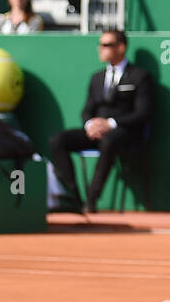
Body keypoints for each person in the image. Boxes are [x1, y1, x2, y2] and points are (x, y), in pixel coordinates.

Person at [47, 30, 154, 214]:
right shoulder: (96, 78)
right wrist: (91, 125)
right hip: (97, 132)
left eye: (106, 45)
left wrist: (110, 123)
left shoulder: (140, 76)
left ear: (121, 48)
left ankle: (91, 199)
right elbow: (87, 110)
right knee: (57, 140)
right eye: (100, 44)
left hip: (125, 132)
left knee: (109, 140)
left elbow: (142, 113)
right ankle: (73, 197)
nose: (100, 49)